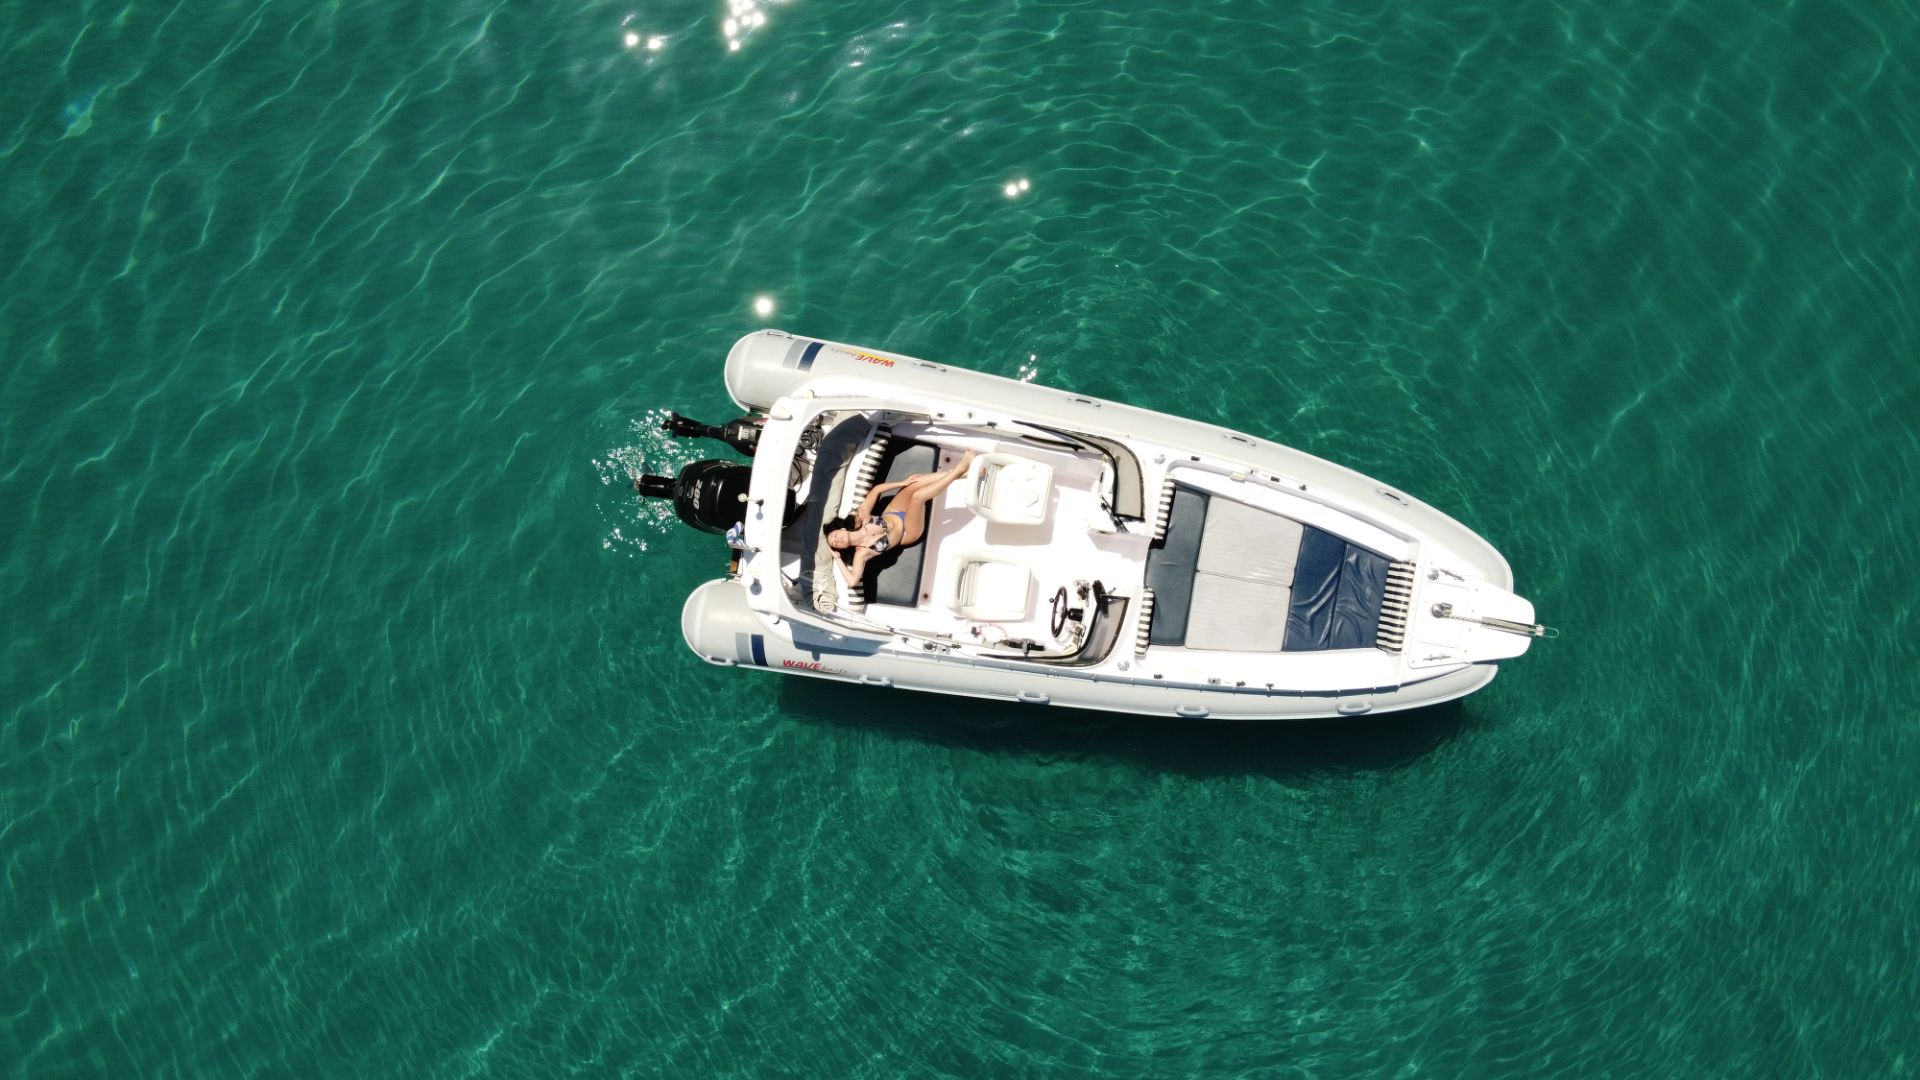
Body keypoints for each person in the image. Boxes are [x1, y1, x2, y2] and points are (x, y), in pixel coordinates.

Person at [824, 449, 976, 587]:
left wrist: (903, 483)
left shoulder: (860, 518)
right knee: (918, 497)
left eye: (835, 536)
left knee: (915, 482)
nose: (838, 540)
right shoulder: (861, 554)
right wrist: (837, 558)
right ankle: (959, 470)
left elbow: (876, 490)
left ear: (842, 528)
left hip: (894, 511)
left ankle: (965, 474)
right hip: (907, 532)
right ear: (842, 549)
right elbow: (852, 581)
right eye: (836, 544)